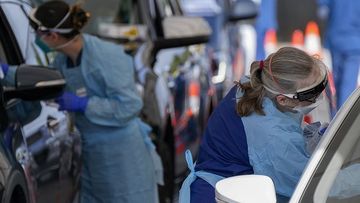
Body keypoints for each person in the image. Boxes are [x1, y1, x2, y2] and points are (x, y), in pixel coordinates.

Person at [27, 1, 161, 202]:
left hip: (123, 159)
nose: (37, 40)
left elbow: (130, 105)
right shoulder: (62, 60)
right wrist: (8, 74)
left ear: (52, 36)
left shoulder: (106, 56)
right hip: (94, 158)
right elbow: (42, 80)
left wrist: (84, 104)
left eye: (38, 34)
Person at [179, 47, 329, 202]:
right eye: (312, 94)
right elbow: (311, 186)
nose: (319, 96)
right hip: (220, 196)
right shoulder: (272, 136)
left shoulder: (254, 85)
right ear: (282, 99)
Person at [317, 0, 360, 110]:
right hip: (354, 43)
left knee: (337, 82)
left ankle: (335, 117)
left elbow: (322, 12)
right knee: (348, 84)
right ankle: (344, 118)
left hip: (336, 40)